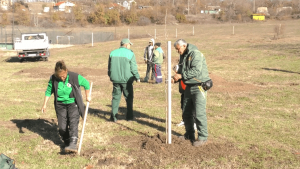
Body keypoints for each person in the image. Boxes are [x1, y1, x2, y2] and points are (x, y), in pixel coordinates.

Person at [41, 60, 91, 153]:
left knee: (73, 123)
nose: (62, 78)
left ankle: (73, 144)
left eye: (63, 76)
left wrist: (88, 96)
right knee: (62, 128)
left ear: (66, 71)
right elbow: (48, 91)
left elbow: (86, 84)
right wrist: (44, 104)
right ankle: (67, 142)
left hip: (73, 103)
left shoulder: (74, 77)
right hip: (60, 105)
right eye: (60, 76)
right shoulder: (53, 79)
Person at [173, 39, 211, 147]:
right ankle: (189, 134)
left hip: (199, 86)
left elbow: (196, 70)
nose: (177, 51)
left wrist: (181, 76)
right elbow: (184, 70)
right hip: (188, 86)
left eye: (178, 49)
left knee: (199, 113)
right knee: (186, 112)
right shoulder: (183, 55)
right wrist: (176, 76)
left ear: (184, 46)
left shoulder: (195, 54)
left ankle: (203, 137)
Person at [108, 38, 140, 122]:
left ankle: (113, 117)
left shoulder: (112, 53)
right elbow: (133, 68)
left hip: (115, 80)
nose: (130, 46)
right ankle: (129, 117)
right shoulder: (130, 53)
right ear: (126, 45)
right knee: (129, 98)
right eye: (129, 45)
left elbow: (109, 67)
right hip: (127, 81)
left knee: (115, 98)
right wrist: (137, 77)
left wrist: (111, 76)